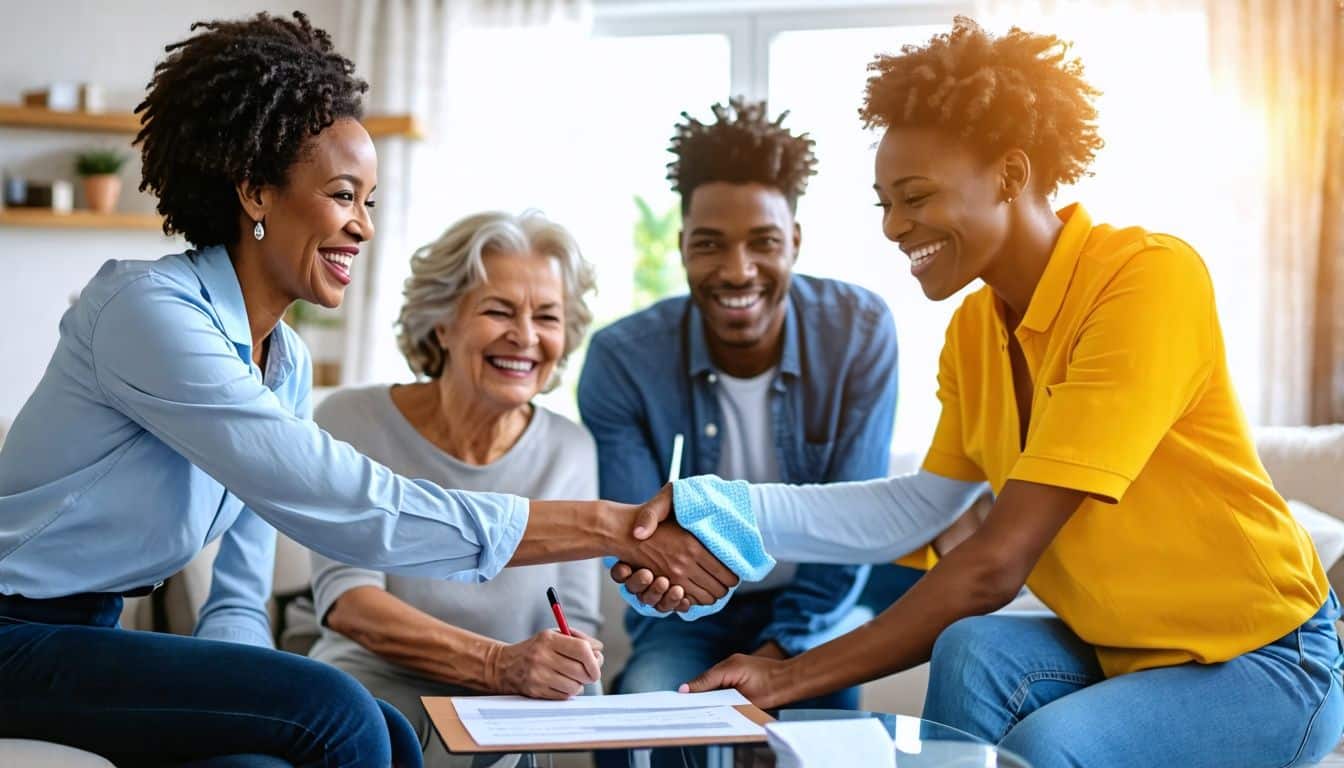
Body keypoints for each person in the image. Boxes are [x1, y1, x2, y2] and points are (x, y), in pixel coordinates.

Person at [0, 13, 732, 767]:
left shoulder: (280, 363)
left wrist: (243, 704)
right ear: (255, 192)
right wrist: (610, 524)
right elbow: (353, 507)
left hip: (83, 634)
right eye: (344, 196)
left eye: (370, 203)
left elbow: (237, 600)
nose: (363, 229)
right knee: (340, 711)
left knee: (361, 728)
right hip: (13, 637)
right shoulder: (149, 313)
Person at [618, 17, 1343, 768]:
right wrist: (722, 504)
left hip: (1267, 661)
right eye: (884, 204)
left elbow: (997, 563)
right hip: (1126, 648)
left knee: (1042, 748)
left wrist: (790, 676)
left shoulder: (1146, 281)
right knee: (972, 654)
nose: (895, 227)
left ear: (1010, 174)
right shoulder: (974, 325)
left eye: (916, 197)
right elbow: (917, 509)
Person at [579, 98, 930, 727]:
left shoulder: (859, 331)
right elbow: (635, 539)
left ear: (794, 240)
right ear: (682, 244)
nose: (738, 270)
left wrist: (781, 660)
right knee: (645, 718)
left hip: (816, 608)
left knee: (820, 734)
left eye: (763, 242)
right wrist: (664, 580)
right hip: (686, 615)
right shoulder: (622, 359)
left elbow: (851, 528)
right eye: (710, 244)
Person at [308, 210, 605, 768]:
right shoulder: (351, 419)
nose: (525, 336)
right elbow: (349, 603)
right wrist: (498, 662)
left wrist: (568, 659)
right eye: (498, 310)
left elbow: (578, 617)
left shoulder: (571, 447)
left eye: (547, 317)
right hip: (369, 690)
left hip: (509, 705)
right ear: (440, 323)